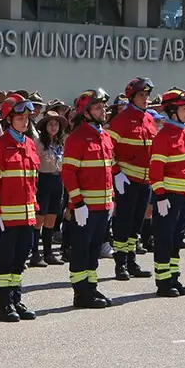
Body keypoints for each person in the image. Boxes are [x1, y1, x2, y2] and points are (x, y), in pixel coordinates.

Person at [0, 93, 40, 322]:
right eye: (19, 118)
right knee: (6, 262)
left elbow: (32, 183)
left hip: (27, 217)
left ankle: (16, 298)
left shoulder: (29, 145)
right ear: (8, 119)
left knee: (20, 261)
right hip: (7, 218)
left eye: (27, 117)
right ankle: (4, 304)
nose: (24, 121)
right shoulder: (0, 146)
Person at [61, 88, 115, 309]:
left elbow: (108, 170)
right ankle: (80, 293)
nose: (103, 111)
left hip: (102, 206)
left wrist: (111, 199)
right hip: (85, 208)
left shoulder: (104, 136)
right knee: (82, 250)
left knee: (94, 250)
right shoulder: (77, 138)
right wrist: (78, 202)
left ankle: (91, 287)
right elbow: (68, 173)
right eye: (98, 107)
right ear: (86, 112)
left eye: (103, 107)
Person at [106, 78, 157, 281]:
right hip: (126, 181)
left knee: (137, 224)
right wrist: (117, 172)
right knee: (123, 223)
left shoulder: (149, 120)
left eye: (147, 95)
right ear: (132, 97)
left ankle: (131, 260)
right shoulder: (121, 120)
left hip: (145, 181)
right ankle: (120, 264)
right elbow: (108, 150)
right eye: (142, 95)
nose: (146, 99)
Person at [148, 89, 185, 298]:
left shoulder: (183, 131)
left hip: (184, 195)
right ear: (172, 111)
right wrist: (160, 196)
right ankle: (163, 282)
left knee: (177, 239)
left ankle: (174, 277)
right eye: (184, 109)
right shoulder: (164, 136)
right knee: (165, 239)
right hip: (168, 197)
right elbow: (156, 169)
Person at [30, 111, 67, 267]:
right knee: (40, 218)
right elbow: (33, 164)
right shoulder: (39, 143)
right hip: (43, 180)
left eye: (56, 124)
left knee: (52, 218)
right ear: (45, 126)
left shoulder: (59, 143)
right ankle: (34, 254)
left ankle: (48, 252)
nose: (53, 127)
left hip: (57, 179)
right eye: (50, 124)